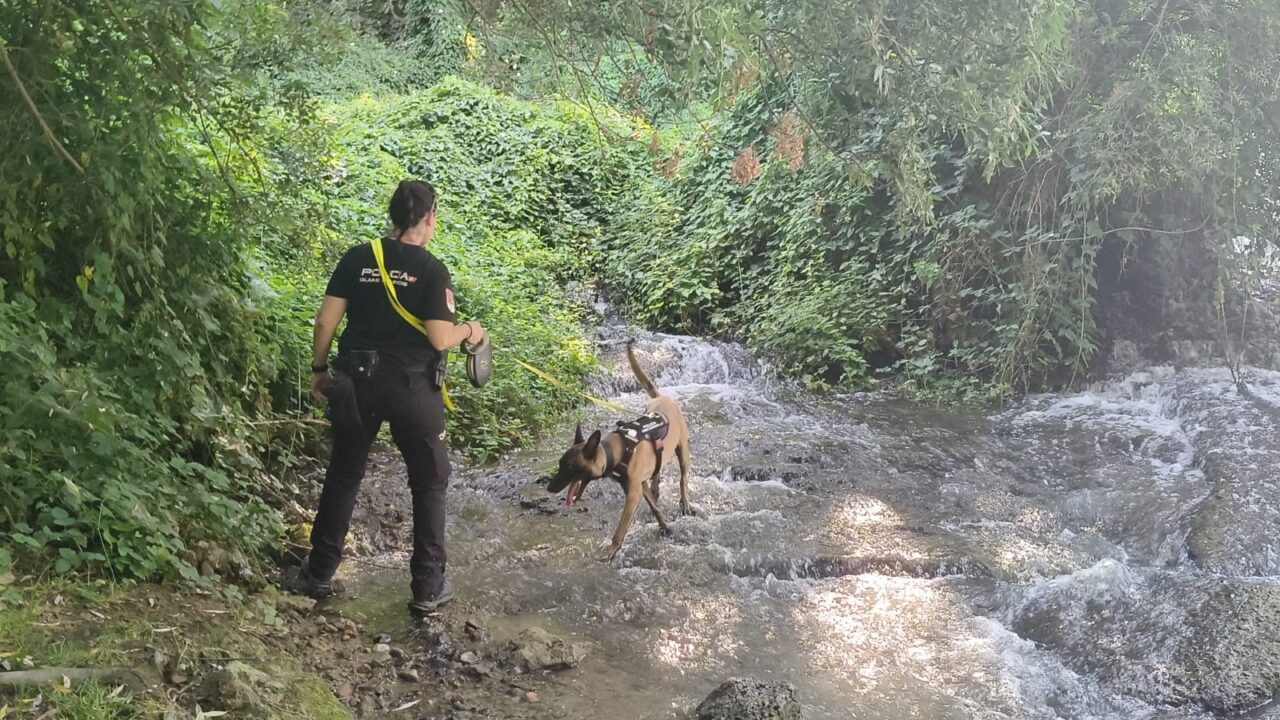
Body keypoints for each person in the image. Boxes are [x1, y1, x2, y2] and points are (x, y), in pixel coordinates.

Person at [300, 180, 484, 614]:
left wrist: (319, 370)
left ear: (393, 216)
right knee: (430, 479)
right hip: (412, 389)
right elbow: (440, 338)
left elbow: (326, 322)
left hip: (356, 384)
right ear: (429, 218)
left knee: (345, 471)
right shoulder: (433, 270)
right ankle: (427, 588)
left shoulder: (359, 257)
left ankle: (319, 571)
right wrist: (471, 331)